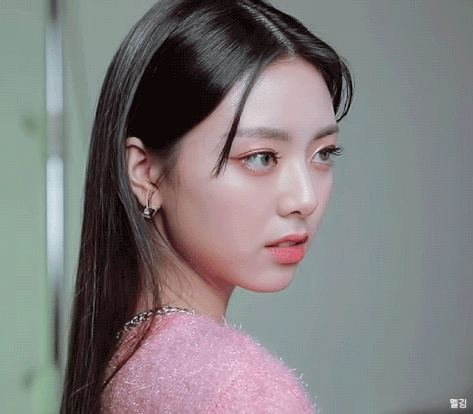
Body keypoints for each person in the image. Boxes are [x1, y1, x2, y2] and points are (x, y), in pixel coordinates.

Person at [60, 0, 353, 412]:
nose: (305, 198)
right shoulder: (244, 392)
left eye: (323, 153)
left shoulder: (128, 361)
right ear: (146, 174)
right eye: (261, 157)